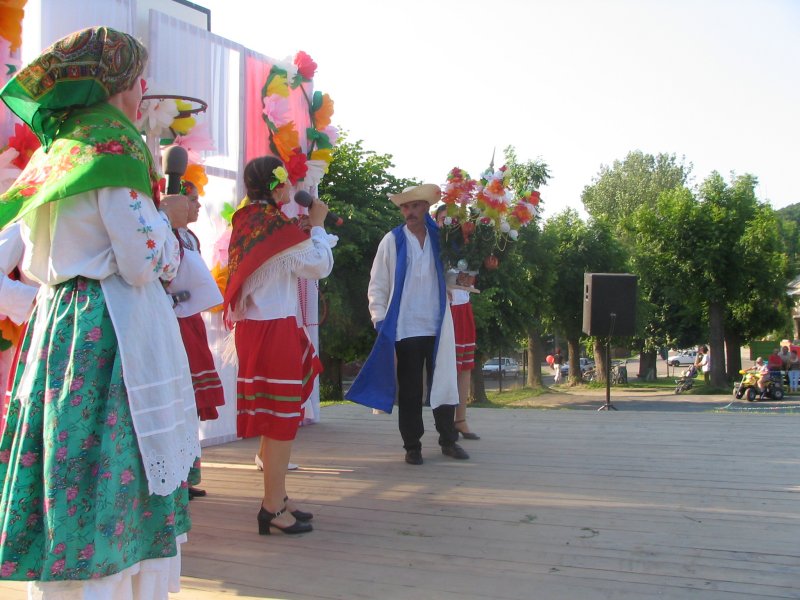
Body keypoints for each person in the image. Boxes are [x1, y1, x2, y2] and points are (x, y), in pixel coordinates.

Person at [0, 27, 199, 597]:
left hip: (58, 322)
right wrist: (169, 223)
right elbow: (140, 260)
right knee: (112, 470)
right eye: (138, 79)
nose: (143, 90)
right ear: (116, 81)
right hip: (111, 327)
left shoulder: (57, 151)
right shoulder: (116, 144)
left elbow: (24, 249)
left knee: (70, 463)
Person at [223, 155, 334, 535]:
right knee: (282, 418)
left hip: (260, 327)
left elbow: (287, 257)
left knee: (277, 417)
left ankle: (279, 497)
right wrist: (317, 226)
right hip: (272, 328)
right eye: (285, 182)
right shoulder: (271, 224)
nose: (290, 188)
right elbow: (318, 265)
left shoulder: (249, 219)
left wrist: (301, 232)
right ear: (276, 186)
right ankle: (271, 506)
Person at [346, 184, 467, 465]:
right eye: (405, 207)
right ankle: (412, 446)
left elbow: (449, 276)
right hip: (405, 325)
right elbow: (378, 283)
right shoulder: (392, 240)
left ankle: (448, 440)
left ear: (425, 207)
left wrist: (461, 279)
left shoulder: (440, 239)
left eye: (414, 206)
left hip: (437, 324)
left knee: (444, 382)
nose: (409, 212)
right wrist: (379, 318)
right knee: (411, 389)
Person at [167, 174, 226, 499]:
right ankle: (174, 477)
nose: (198, 206)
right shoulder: (165, 237)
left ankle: (187, 475)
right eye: (191, 200)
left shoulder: (189, 237)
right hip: (173, 322)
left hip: (191, 321)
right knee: (177, 396)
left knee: (190, 403)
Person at [434, 205, 479, 440]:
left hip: (463, 308)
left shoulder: (468, 247)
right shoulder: (433, 244)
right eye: (444, 219)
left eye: (454, 220)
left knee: (465, 367)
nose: (449, 223)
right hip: (442, 311)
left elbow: (473, 276)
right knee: (446, 367)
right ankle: (445, 423)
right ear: (436, 221)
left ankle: (460, 419)